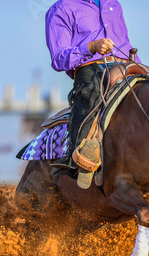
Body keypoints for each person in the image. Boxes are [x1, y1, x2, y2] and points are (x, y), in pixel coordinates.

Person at [45, 0, 140, 168]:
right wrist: (90, 47)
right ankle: (79, 157)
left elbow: (125, 44)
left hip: (126, 66)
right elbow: (58, 59)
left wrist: (142, 69)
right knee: (91, 94)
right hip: (91, 68)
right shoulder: (61, 9)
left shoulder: (113, 4)